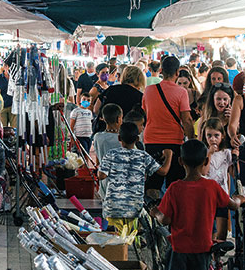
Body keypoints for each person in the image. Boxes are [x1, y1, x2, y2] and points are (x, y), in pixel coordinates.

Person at [156, 139, 245, 270]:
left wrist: (156, 213)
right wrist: (239, 199)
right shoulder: (211, 186)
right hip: (203, 248)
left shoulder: (175, 188)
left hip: (180, 249)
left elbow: (165, 219)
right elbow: (232, 205)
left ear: (180, 161)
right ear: (206, 161)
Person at [98, 123, 173, 233]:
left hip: (113, 207)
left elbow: (101, 176)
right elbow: (163, 171)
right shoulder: (143, 156)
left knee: (118, 238)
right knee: (129, 234)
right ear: (137, 139)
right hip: (133, 207)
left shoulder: (111, 154)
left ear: (119, 138)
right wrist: (169, 155)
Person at [143, 55, 194, 191]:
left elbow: (146, 113)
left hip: (151, 140)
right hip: (174, 142)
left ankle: (152, 210)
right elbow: (187, 119)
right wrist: (191, 139)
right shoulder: (181, 92)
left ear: (161, 71)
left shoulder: (148, 90)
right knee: (175, 183)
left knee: (153, 183)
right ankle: (172, 211)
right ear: (177, 72)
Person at [203, 117, 233, 241]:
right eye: (209, 135)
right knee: (209, 228)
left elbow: (230, 174)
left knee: (222, 231)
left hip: (222, 194)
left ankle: (218, 256)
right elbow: (204, 171)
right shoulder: (204, 152)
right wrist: (209, 154)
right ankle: (209, 255)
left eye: (216, 135)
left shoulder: (226, 152)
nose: (213, 139)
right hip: (207, 195)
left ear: (222, 136)